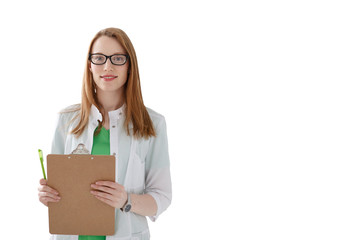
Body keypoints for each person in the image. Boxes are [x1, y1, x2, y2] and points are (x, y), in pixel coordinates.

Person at [38, 27, 172, 240]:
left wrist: (126, 200)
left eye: (117, 58)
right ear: (90, 65)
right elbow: (58, 190)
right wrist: (48, 195)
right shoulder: (66, 120)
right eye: (99, 58)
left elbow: (162, 197)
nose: (107, 66)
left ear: (130, 66)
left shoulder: (153, 124)